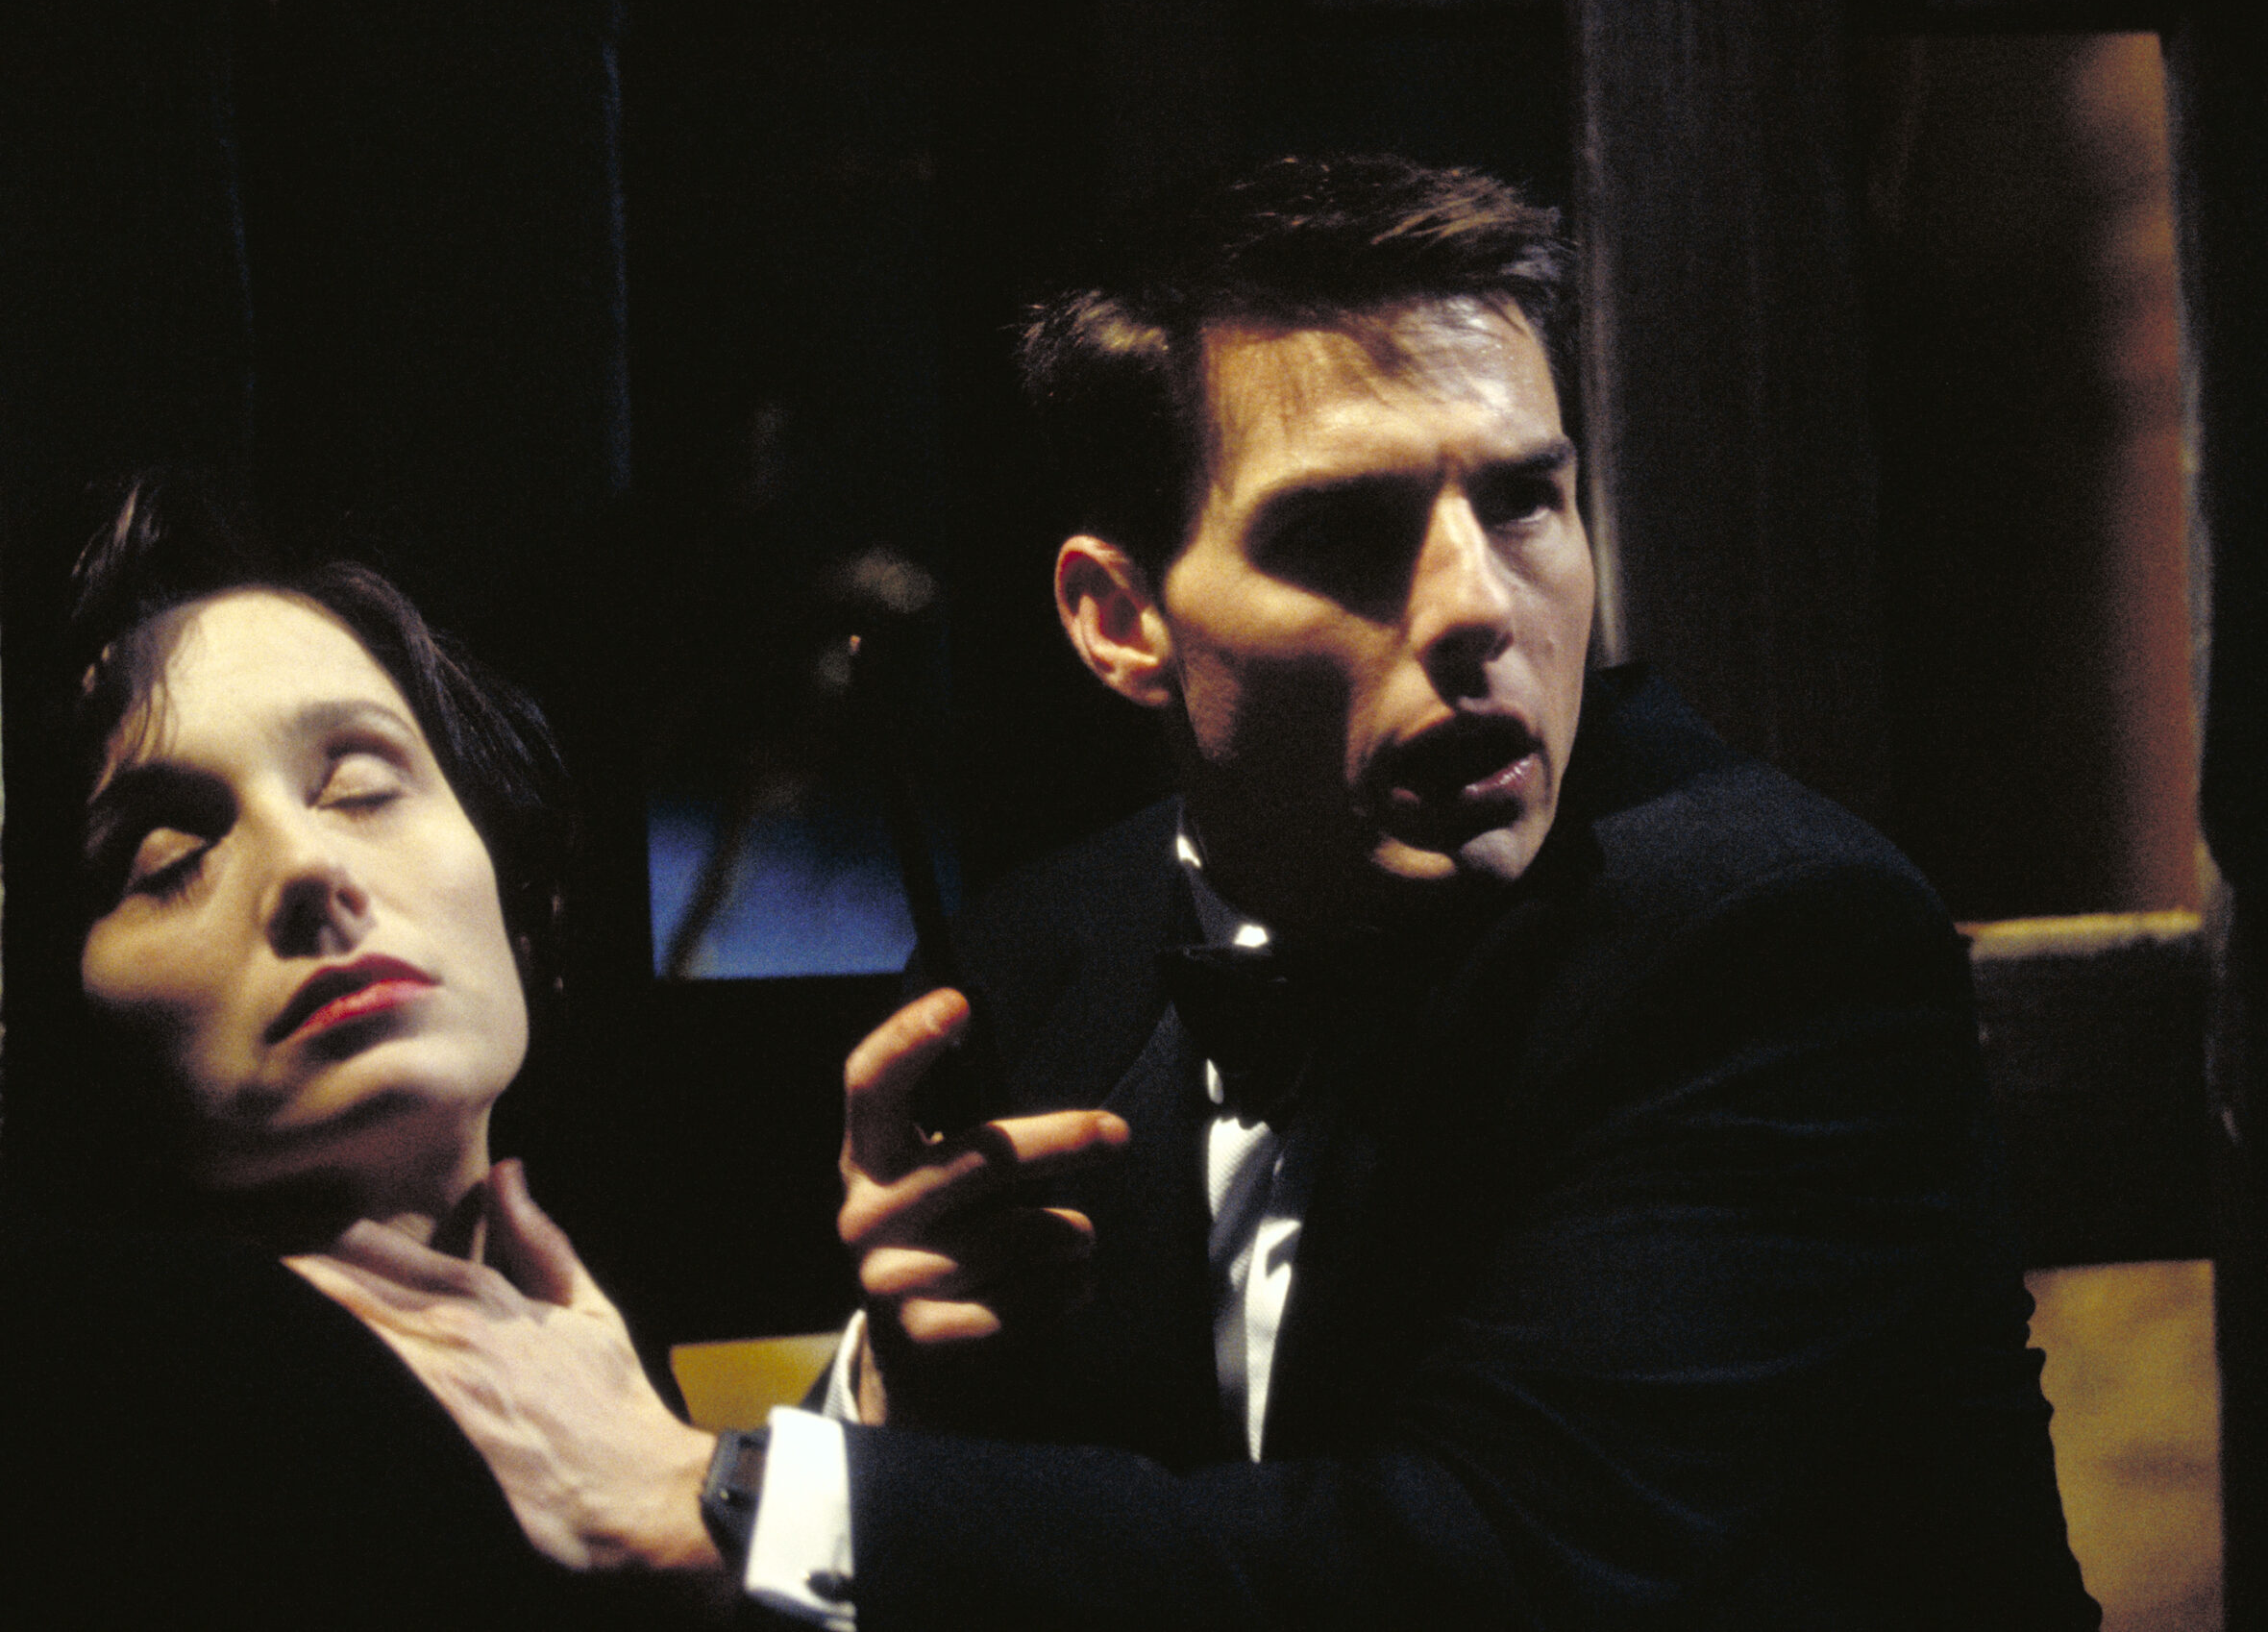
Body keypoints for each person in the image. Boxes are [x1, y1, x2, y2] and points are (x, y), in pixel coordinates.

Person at [291, 157, 2102, 1629]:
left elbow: (1491, 1568)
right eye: (1344, 531)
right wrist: (920, 1381)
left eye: (1525, 502)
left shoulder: (1772, 932)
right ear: (1117, 619)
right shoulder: (1039, 954)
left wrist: (732, 1495)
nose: (1480, 605)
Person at [0, 480, 718, 1628]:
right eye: (165, 856)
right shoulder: (169, 1413)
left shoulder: (563, 1317)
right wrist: (725, 1515)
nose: (306, 868)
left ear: (517, 890)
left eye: (361, 786)